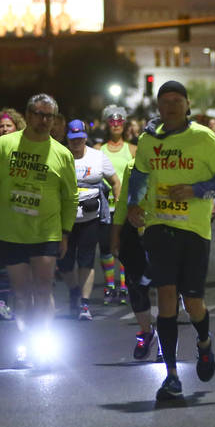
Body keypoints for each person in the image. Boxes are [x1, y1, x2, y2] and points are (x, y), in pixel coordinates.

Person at [126, 80, 215, 401]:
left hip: (195, 231)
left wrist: (195, 190)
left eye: (177, 100)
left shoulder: (203, 137)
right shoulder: (147, 141)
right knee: (167, 298)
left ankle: (204, 343)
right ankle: (171, 376)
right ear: (158, 107)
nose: (171, 106)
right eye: (165, 101)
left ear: (187, 105)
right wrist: (134, 203)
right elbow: (140, 175)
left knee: (194, 303)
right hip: (159, 228)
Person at [0, 93, 79, 367]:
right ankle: (26, 340)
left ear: (55, 120)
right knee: (21, 291)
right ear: (28, 116)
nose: (43, 120)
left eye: (48, 116)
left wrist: (65, 231)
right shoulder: (5, 145)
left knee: (43, 288)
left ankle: (43, 341)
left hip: (46, 231)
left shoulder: (62, 153)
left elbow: (70, 196)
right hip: (11, 231)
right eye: (38, 114)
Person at [61, 119, 119, 321]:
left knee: (86, 259)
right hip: (64, 219)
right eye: (72, 139)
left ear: (85, 137)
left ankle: (84, 304)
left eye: (79, 138)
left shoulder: (97, 157)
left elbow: (114, 181)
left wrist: (118, 205)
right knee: (64, 262)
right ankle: (74, 291)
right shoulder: (60, 156)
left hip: (91, 218)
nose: (76, 142)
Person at [111, 159, 161, 362]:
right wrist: (115, 233)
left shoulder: (172, 162)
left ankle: (165, 341)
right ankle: (146, 332)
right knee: (136, 285)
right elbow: (123, 200)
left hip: (163, 228)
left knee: (163, 286)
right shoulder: (132, 166)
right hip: (135, 231)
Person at [0, 108, 26, 319]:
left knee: (19, 252)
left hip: (19, 206)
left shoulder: (25, 147)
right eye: (1, 126)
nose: (4, 129)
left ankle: (23, 299)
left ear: (17, 127)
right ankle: (3, 300)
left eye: (8, 125)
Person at [94, 105, 135, 305]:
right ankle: (110, 286)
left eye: (120, 121)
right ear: (107, 124)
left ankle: (125, 285)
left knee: (125, 248)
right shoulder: (98, 150)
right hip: (104, 207)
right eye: (112, 121)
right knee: (106, 248)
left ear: (124, 124)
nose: (116, 124)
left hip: (125, 207)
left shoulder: (133, 149)